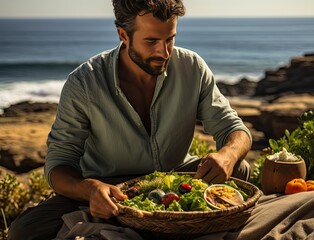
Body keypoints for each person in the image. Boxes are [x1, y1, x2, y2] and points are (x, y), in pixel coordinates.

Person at [8, 0, 252, 239]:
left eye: (170, 39)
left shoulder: (192, 67)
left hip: (176, 178)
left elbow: (233, 128)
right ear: (123, 35)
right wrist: (90, 189)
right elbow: (58, 165)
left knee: (239, 167)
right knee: (25, 230)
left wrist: (227, 155)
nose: (164, 52)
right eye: (151, 41)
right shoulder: (84, 82)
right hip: (110, 189)